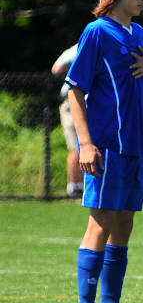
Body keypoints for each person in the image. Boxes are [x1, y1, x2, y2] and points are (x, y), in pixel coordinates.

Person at [66, 0, 143, 303]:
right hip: (105, 146)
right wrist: (86, 144)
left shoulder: (138, 33)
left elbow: (131, 87)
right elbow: (75, 89)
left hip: (134, 145)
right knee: (101, 221)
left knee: (124, 223)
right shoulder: (96, 32)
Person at [51, 44, 84, 198]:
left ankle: (85, 185)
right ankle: (74, 187)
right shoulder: (78, 49)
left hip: (91, 104)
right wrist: (81, 67)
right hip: (72, 103)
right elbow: (56, 68)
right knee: (76, 148)